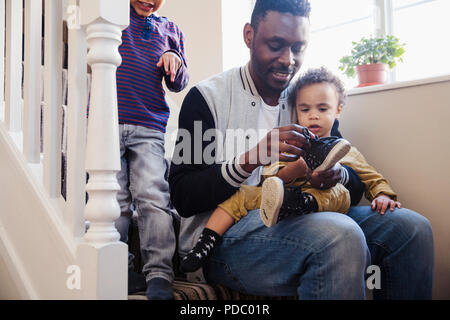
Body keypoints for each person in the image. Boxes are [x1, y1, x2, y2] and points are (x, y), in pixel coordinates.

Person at [169, 0, 433, 299]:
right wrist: (248, 161)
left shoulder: (305, 99)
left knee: (411, 229)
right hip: (222, 238)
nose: (288, 60)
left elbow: (353, 179)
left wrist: (335, 175)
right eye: (276, 44)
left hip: (302, 213)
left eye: (298, 48)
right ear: (249, 35)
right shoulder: (206, 98)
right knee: (337, 236)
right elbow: (183, 197)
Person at [179, 67, 404, 273]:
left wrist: (379, 193)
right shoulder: (292, 143)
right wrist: (295, 169)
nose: (313, 115)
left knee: (403, 224)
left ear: (338, 110)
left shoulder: (338, 143)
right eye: (305, 109)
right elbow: (270, 176)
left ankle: (302, 203)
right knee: (240, 196)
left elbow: (367, 176)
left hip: (318, 201)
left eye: (322, 109)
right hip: (273, 197)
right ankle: (206, 241)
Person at [114, 0, 189, 300]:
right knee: (114, 198)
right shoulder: (114, 16)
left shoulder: (170, 29)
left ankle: (158, 272)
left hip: (149, 128)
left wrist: (175, 60)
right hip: (107, 124)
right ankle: (118, 267)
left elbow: (179, 83)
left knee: (153, 196)